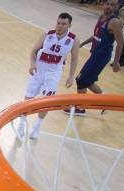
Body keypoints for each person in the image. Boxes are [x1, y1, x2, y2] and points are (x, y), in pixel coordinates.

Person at [17, 12, 80, 140]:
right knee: (28, 98)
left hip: (53, 74)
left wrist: (71, 76)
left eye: (63, 24)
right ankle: (21, 124)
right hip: (39, 70)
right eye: (58, 23)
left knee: (45, 103)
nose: (60, 26)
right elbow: (33, 51)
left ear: (69, 25)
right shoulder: (47, 35)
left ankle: (37, 127)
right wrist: (32, 64)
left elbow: (74, 59)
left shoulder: (73, 40)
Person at [66, 0, 124, 116]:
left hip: (101, 56)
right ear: (103, 4)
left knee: (81, 80)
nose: (108, 6)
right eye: (107, 3)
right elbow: (96, 35)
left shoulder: (114, 22)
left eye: (112, 5)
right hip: (95, 54)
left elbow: (121, 43)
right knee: (88, 81)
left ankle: (80, 108)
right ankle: (106, 102)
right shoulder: (102, 17)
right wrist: (83, 43)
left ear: (117, 7)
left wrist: (117, 62)